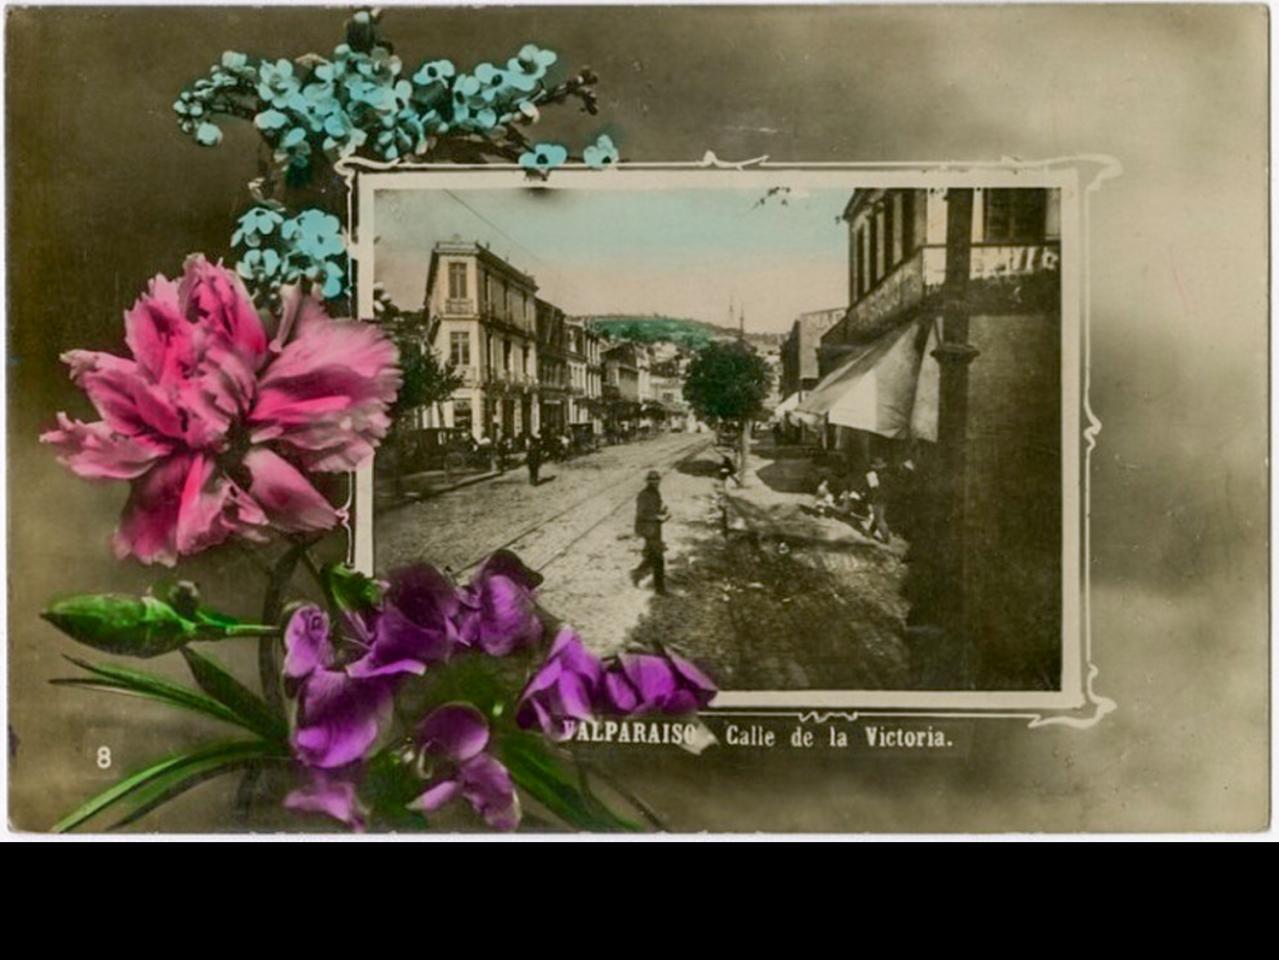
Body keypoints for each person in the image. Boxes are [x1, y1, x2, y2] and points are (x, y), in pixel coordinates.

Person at [631, 469, 670, 595]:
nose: (655, 482)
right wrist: (656, 517)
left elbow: (654, 511)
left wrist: (663, 513)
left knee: (652, 557)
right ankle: (660, 589)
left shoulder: (656, 493)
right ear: (647, 481)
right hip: (648, 530)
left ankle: (637, 573)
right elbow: (641, 514)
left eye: (657, 480)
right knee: (658, 559)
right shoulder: (643, 495)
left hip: (655, 529)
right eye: (652, 480)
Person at [861, 456, 891, 543]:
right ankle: (870, 532)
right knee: (878, 516)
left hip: (878, 498)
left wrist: (869, 501)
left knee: (879, 519)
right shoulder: (887, 475)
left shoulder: (872, 475)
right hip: (885, 498)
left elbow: (874, 489)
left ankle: (886, 538)